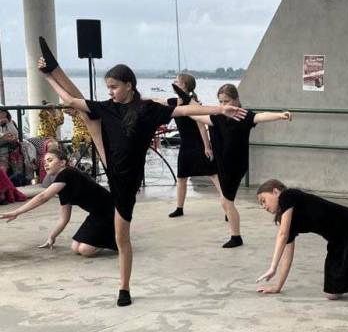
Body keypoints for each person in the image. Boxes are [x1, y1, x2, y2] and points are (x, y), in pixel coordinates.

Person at [37, 38, 246, 307]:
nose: (110, 92)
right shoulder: (108, 107)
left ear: (129, 85)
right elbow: (69, 100)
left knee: (122, 238)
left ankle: (124, 288)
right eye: (108, 87)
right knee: (87, 114)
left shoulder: (148, 110)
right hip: (110, 162)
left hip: (126, 183)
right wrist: (48, 75)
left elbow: (185, 109)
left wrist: (221, 108)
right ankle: (55, 66)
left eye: (114, 87)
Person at [195, 84, 291, 248]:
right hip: (222, 163)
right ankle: (233, 227)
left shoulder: (243, 116)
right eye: (220, 102)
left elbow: (261, 116)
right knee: (225, 201)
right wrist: (183, 109)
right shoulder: (218, 117)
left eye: (226, 101)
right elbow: (198, 116)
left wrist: (280, 115)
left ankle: (236, 236)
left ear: (236, 99)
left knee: (226, 201)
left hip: (236, 165)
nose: (223, 105)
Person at [0, 147, 116, 256]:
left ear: (62, 162)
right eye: (44, 162)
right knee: (75, 248)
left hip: (111, 212)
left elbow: (43, 197)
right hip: (96, 215)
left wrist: (17, 212)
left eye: (50, 160)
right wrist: (52, 236)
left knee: (84, 250)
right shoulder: (62, 186)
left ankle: (117, 239)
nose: (46, 164)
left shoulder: (68, 173)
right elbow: (64, 218)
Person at [167, 74, 222, 219]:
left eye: (177, 81)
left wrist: (207, 147)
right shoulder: (173, 102)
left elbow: (202, 127)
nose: (174, 83)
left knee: (213, 175)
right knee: (181, 177)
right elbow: (157, 101)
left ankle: (228, 205)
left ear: (184, 85)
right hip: (185, 145)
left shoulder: (194, 104)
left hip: (198, 144)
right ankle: (179, 208)